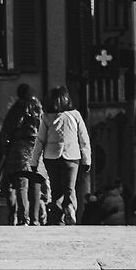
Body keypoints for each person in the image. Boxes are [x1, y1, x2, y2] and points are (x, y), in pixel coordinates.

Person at [41, 86, 91, 224]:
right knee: (69, 188)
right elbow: (84, 138)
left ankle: (58, 218)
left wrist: (34, 162)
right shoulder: (75, 115)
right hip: (72, 156)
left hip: (51, 157)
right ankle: (69, 206)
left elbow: (40, 140)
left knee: (56, 189)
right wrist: (87, 160)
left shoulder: (45, 117)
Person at [0, 83, 48, 226]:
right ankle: (34, 219)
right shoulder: (39, 108)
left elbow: (9, 127)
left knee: (22, 183)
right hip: (37, 147)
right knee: (35, 182)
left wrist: (6, 147)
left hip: (20, 147)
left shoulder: (18, 107)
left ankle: (23, 218)